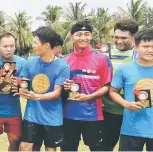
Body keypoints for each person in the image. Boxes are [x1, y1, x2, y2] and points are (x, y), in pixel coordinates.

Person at [14, 27, 70, 151]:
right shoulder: (30, 62)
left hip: (52, 117)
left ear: (46, 45)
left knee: (50, 149)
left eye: (35, 42)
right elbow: (24, 83)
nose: (33, 45)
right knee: (24, 147)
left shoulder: (63, 66)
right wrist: (20, 88)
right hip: (32, 115)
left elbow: (57, 93)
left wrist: (37, 96)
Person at [61, 20, 112, 151]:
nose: (83, 38)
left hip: (93, 115)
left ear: (91, 36)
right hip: (68, 115)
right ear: (72, 36)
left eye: (87, 34)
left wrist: (90, 97)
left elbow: (107, 86)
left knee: (98, 149)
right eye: (79, 34)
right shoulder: (64, 61)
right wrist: (65, 87)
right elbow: (59, 88)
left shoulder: (102, 59)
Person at [109, 28, 153, 151]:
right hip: (132, 128)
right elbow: (113, 92)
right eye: (146, 46)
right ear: (136, 47)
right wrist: (125, 103)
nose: (150, 50)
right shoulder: (124, 69)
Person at [102, 19, 139, 151]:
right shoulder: (104, 54)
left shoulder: (142, 55)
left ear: (134, 37)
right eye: (116, 37)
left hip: (134, 111)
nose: (118, 41)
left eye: (124, 38)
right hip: (109, 110)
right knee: (105, 147)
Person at [0, 32, 25, 151]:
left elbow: (25, 85)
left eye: (12, 46)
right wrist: (4, 82)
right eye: (5, 46)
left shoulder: (22, 62)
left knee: (15, 142)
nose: (9, 49)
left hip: (13, 110)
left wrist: (20, 86)